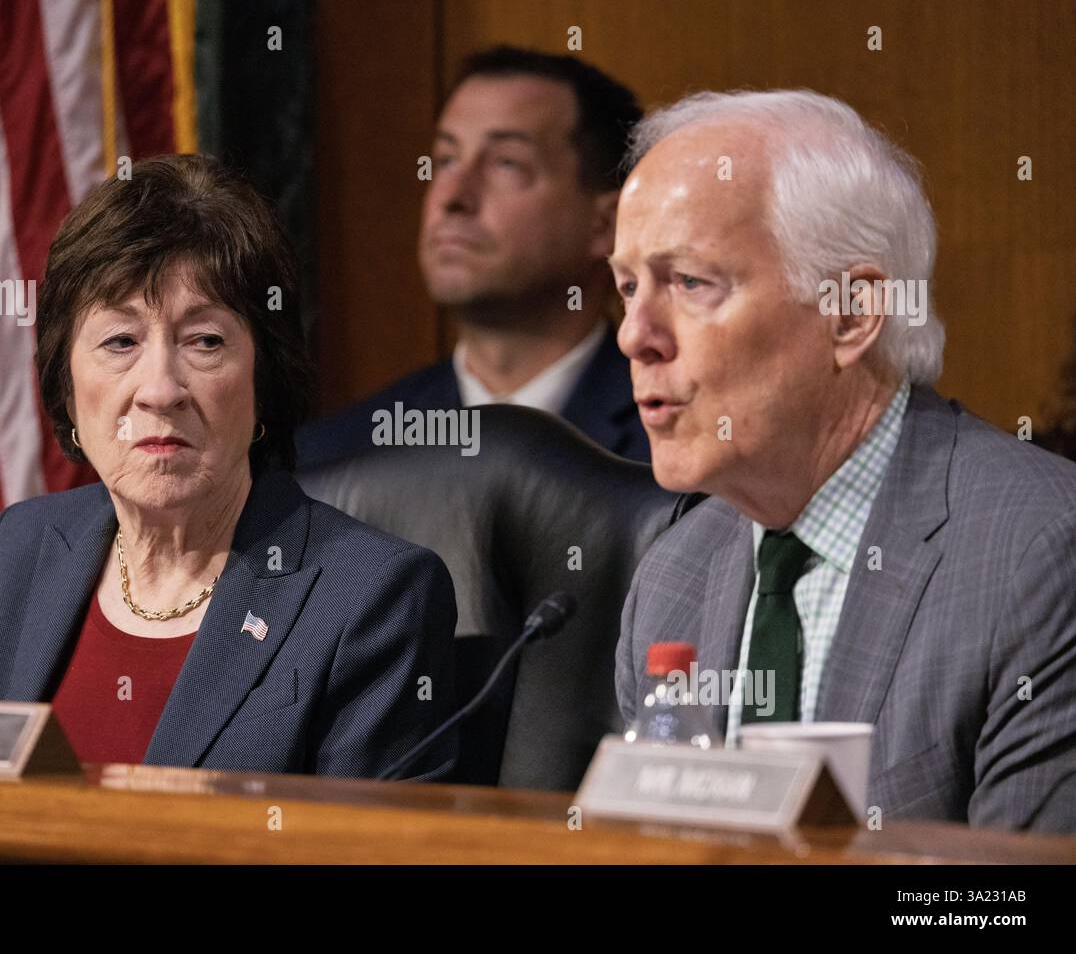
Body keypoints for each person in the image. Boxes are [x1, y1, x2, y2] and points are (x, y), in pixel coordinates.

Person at [612, 90, 1076, 831]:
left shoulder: (1040, 554)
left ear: (851, 313)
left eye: (690, 283)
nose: (635, 336)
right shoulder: (675, 574)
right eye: (628, 287)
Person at [0, 154, 457, 781]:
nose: (160, 389)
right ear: (66, 385)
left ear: (264, 381)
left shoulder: (372, 597)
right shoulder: (22, 550)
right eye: (121, 341)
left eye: (205, 342)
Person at [296, 46, 649, 466]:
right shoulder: (337, 458)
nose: (453, 197)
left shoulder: (681, 449)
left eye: (506, 163)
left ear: (607, 225)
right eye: (446, 160)